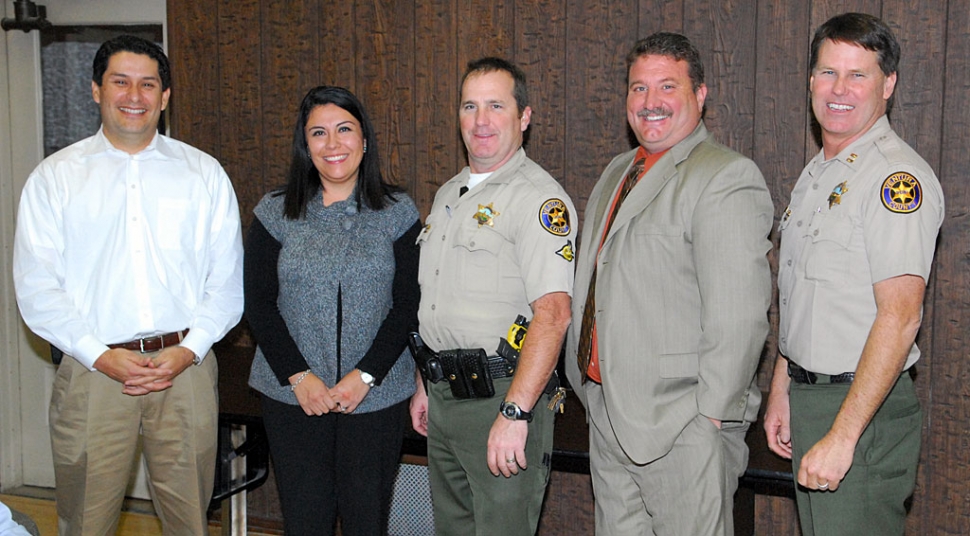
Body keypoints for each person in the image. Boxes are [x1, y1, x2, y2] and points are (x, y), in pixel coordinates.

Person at [12, 35, 243, 535]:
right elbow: (36, 288)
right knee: (86, 523)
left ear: (164, 97)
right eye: (120, 82)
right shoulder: (55, 179)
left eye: (148, 84)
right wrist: (100, 354)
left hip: (185, 370)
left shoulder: (203, 174)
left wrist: (188, 351)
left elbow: (225, 283)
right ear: (96, 90)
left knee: (190, 523)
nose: (133, 95)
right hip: (92, 375)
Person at [563, 33, 773, 535]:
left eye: (666, 87)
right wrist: (592, 394)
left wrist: (711, 419)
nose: (650, 102)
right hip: (608, 411)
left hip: (682, 424)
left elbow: (740, 315)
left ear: (700, 95)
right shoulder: (619, 170)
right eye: (638, 88)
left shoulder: (725, 177)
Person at [763, 13, 945, 536]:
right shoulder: (817, 173)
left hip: (861, 413)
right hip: (811, 399)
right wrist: (784, 386)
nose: (838, 90)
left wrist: (843, 437)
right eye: (827, 73)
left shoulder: (894, 179)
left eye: (857, 75)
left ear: (888, 84)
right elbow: (803, 296)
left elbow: (901, 317)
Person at [408, 57, 575, 536]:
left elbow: (553, 315)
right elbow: (438, 300)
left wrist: (516, 412)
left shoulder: (539, 201)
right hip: (443, 398)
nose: (481, 120)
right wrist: (425, 382)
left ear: (524, 118)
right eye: (470, 106)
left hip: (501, 396)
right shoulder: (448, 195)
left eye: (496, 106)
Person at [245, 85, 421, 536]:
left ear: (364, 140)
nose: (333, 144)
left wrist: (365, 376)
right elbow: (259, 303)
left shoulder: (398, 212)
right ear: (306, 145)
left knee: (368, 521)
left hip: (376, 397)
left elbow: (407, 306)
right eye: (318, 133)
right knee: (306, 522)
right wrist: (298, 377)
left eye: (344, 129)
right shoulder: (274, 211)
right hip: (292, 399)